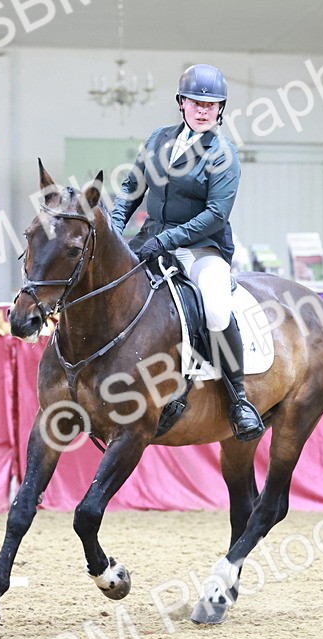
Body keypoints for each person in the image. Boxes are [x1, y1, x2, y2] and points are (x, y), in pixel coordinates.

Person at [110, 64, 264, 442]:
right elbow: (132, 189)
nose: (202, 110)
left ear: (220, 110)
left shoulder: (223, 155)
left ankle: (238, 399)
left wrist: (166, 241)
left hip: (201, 248)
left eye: (210, 105)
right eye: (195, 102)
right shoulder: (159, 139)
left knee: (214, 306)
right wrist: (115, 231)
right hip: (149, 240)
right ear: (181, 103)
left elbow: (215, 215)